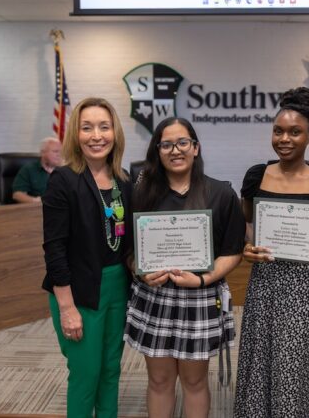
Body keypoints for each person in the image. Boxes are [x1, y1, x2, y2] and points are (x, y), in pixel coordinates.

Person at [123, 117, 245, 418]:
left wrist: (203, 280)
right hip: (155, 296)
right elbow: (128, 252)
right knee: (160, 380)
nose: (175, 150)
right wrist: (140, 270)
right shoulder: (140, 194)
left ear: (195, 148)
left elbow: (233, 252)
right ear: (157, 150)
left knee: (194, 381)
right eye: (166, 144)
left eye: (182, 143)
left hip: (200, 298)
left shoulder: (221, 193)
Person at [234, 87, 309, 418]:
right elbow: (246, 226)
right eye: (278, 130)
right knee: (259, 364)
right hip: (263, 285)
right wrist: (246, 248)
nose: (284, 138)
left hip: (304, 291)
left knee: (297, 369)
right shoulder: (255, 176)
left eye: (295, 132)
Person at [42, 97, 132, 418]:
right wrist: (67, 309)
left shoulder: (124, 181)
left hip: (117, 287)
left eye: (104, 127)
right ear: (75, 135)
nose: (97, 135)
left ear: (115, 132)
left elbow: (127, 240)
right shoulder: (63, 180)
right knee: (86, 373)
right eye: (87, 127)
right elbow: (54, 250)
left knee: (110, 369)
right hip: (77, 291)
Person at [12, 137, 62, 203]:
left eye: (61, 152)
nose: (59, 155)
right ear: (43, 153)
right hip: (38, 209)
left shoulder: (64, 170)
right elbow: (17, 195)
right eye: (55, 151)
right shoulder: (29, 169)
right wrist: (37, 201)